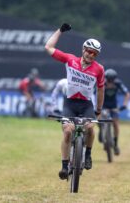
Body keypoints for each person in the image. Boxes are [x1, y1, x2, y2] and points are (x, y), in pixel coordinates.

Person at [44, 23, 105, 180]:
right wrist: (60, 31)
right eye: (90, 51)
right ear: (83, 50)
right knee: (68, 132)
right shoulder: (70, 60)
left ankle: (88, 155)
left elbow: (100, 90)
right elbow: (48, 47)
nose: (91, 55)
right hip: (70, 103)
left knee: (91, 128)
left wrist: (98, 110)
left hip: (86, 105)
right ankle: (65, 166)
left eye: (95, 54)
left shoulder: (99, 69)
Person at [99, 69, 130, 155]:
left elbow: (127, 94)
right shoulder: (102, 83)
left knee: (116, 124)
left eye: (112, 80)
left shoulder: (118, 83)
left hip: (113, 107)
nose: (110, 82)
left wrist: (124, 105)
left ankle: (115, 144)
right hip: (103, 105)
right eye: (108, 80)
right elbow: (96, 93)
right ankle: (101, 130)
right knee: (99, 119)